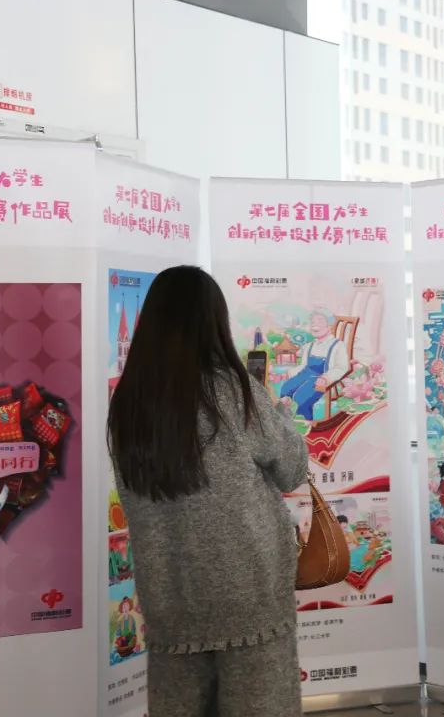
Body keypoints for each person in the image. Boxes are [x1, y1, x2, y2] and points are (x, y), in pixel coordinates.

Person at [107, 266, 308, 717]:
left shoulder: (128, 404)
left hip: (169, 595)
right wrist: (278, 411)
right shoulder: (234, 391)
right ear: (213, 321)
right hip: (248, 592)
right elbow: (292, 470)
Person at [280, 311, 351, 421]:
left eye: (320, 321)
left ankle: (304, 423)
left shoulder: (338, 345)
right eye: (312, 322)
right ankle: (285, 419)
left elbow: (342, 367)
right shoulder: (310, 345)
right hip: (305, 374)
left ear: (329, 326)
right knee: (285, 389)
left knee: (301, 397)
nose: (314, 324)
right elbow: (302, 361)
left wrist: (326, 378)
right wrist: (288, 373)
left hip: (321, 377)